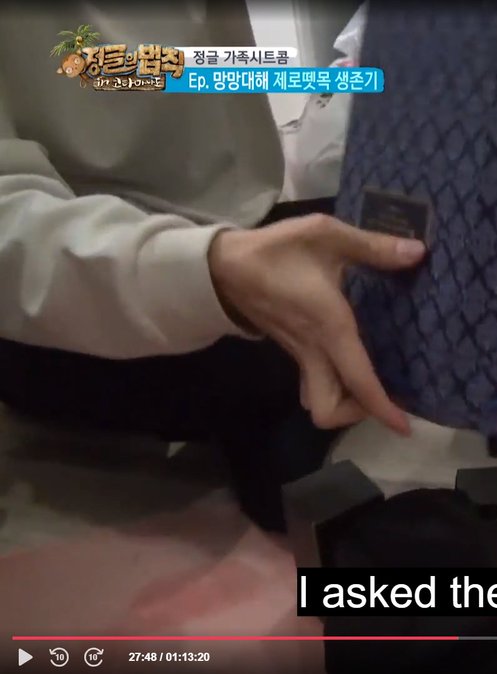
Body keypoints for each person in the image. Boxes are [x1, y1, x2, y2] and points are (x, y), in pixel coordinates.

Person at [0, 3, 416, 532]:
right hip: (68, 293)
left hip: (232, 222)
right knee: (292, 361)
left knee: (395, 247)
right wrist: (212, 275)